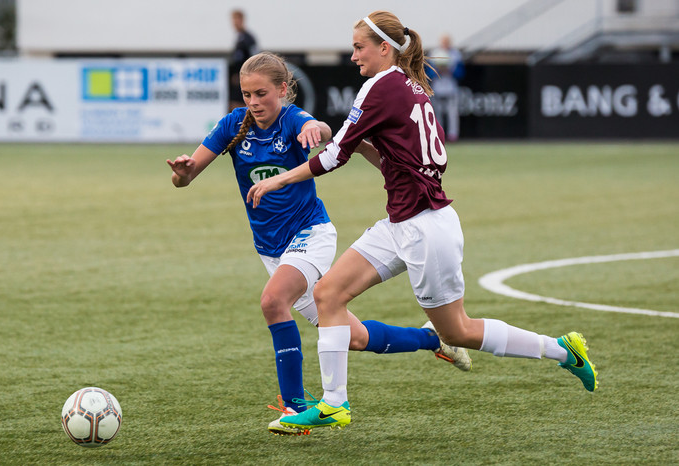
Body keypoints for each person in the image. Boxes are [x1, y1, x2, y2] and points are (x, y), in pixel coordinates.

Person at [246, 11, 598, 432]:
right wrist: (355, 143)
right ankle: (334, 404)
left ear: (384, 48)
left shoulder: (380, 86)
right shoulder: (409, 86)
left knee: (459, 331)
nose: (353, 55)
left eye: (359, 47)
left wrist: (282, 177)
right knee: (328, 294)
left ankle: (561, 350)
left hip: (425, 229)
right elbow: (391, 162)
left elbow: (334, 157)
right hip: (403, 222)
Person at [166, 51, 472, 436]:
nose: (254, 102)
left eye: (261, 93)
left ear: (282, 89)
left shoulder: (293, 119)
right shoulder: (232, 125)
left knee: (272, 301)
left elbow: (323, 130)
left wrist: (317, 128)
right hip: (272, 250)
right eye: (246, 94)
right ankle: (433, 339)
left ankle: (294, 408)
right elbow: (185, 178)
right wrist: (182, 173)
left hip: (310, 235)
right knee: (354, 337)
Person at [429, 34, 463, 142]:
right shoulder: (434, 53)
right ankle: (439, 135)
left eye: (447, 41)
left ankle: (453, 135)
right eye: (444, 41)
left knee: (452, 113)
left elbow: (461, 73)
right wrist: (439, 70)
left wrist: (450, 70)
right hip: (437, 88)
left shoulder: (456, 54)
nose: (445, 44)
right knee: (437, 113)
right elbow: (429, 73)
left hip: (451, 88)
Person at [229, 9, 259, 111]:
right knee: (234, 104)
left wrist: (247, 75)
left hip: (245, 76)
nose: (234, 23)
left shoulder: (248, 38)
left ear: (242, 20)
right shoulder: (239, 37)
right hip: (239, 76)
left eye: (236, 20)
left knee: (240, 104)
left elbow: (254, 58)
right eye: (233, 20)